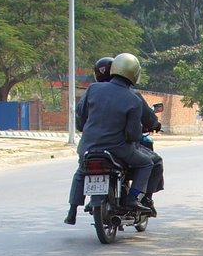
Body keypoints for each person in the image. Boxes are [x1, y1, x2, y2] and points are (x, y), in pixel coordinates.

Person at [64, 53, 162, 224]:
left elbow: (81, 118)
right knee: (147, 163)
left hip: (88, 146)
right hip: (118, 149)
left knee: (81, 171)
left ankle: (72, 211)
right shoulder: (133, 98)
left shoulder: (93, 89)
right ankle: (132, 198)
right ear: (134, 74)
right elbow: (133, 135)